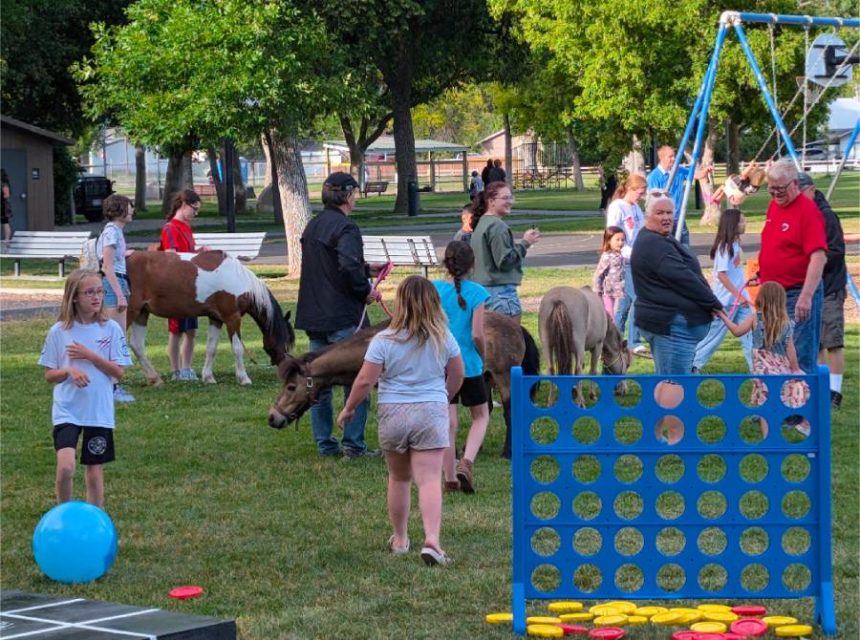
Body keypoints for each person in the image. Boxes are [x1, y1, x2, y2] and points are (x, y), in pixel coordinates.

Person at [336, 276, 464, 566]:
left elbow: (366, 379)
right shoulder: (444, 337)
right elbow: (457, 373)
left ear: (400, 303)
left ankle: (401, 538)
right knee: (430, 479)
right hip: (430, 411)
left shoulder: (383, 340)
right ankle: (432, 541)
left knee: (398, 477)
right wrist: (444, 397)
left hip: (394, 413)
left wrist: (349, 408)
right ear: (434, 304)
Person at [296, 171, 381, 459]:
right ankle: (353, 444)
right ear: (346, 195)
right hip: (342, 315)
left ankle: (325, 443)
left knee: (317, 382)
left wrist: (365, 268)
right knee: (357, 380)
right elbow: (345, 268)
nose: (356, 199)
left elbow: (332, 265)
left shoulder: (313, 225)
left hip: (314, 315)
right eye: (354, 193)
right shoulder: (346, 228)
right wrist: (365, 290)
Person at [38, 269, 133, 508]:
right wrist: (69, 371)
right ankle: (64, 512)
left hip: (98, 410)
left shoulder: (110, 329)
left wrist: (90, 356)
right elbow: (49, 375)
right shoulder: (59, 332)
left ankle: (95, 519)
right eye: (89, 292)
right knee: (66, 466)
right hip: (67, 409)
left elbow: (119, 372)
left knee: (94, 470)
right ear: (74, 297)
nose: (96, 297)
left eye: (100, 291)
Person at [631, 195, 723, 375]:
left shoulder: (662, 238)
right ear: (647, 216)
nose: (666, 217)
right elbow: (683, 278)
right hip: (669, 326)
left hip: (672, 326)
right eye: (660, 213)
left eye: (669, 213)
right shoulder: (653, 243)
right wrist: (712, 303)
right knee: (675, 387)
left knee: (675, 385)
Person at [757, 159, 827, 374]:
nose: (775, 194)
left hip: (796, 293)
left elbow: (819, 256)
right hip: (773, 294)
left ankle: (799, 405)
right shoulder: (774, 206)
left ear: (795, 184)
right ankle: (776, 403)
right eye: (771, 188)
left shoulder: (807, 211)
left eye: (780, 188)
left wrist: (806, 296)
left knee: (798, 354)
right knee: (770, 352)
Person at [432, 241, 490, 494]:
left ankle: (449, 477)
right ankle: (466, 462)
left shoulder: (434, 289)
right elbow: (477, 333)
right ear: (472, 264)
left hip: (440, 362)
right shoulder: (477, 292)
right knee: (481, 415)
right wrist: (484, 354)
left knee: (448, 421)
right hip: (469, 365)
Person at [719, 281, 810, 436]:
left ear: (761, 298)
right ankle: (794, 419)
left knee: (764, 403)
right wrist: (795, 369)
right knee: (787, 392)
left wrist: (722, 315)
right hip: (780, 367)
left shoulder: (755, 318)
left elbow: (736, 331)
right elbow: (790, 348)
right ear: (781, 300)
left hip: (762, 369)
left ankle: (768, 436)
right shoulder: (786, 321)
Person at [797, 172, 847, 409]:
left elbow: (836, 251)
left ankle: (835, 391)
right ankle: (819, 387)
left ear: (811, 190)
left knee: (832, 340)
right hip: (810, 287)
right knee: (815, 342)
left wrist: (814, 261)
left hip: (829, 287)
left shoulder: (827, 217)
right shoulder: (802, 215)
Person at [691, 208, 753, 373]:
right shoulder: (724, 248)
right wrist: (737, 296)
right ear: (732, 225)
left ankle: (757, 368)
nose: (745, 223)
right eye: (741, 220)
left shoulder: (735, 244)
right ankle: (693, 365)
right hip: (726, 302)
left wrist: (744, 292)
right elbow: (722, 275)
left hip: (741, 301)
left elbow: (735, 273)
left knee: (751, 334)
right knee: (714, 337)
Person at [469, 181, 539, 321]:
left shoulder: (482, 223)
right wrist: (525, 243)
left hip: (482, 292)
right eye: (505, 198)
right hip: (500, 295)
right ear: (491, 201)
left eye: (511, 198)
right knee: (508, 341)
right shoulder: (497, 226)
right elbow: (505, 261)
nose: (510, 202)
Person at [160, 190, 208, 381]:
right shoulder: (170, 228)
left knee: (190, 331)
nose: (195, 213)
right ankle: (175, 370)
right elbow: (172, 255)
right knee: (176, 330)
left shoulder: (186, 227)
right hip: (176, 286)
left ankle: (186, 368)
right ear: (184, 204)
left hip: (189, 286)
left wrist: (199, 251)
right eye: (194, 209)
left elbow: (187, 252)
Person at [96, 194, 135, 403]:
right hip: (115, 283)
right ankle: (111, 386)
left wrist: (125, 254)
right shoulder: (112, 232)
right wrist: (119, 294)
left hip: (119, 281)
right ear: (119, 210)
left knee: (116, 337)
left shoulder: (115, 232)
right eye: (129, 207)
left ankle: (112, 384)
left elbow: (113, 258)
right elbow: (107, 266)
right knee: (115, 337)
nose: (132, 211)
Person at [605, 174, 648, 357]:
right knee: (639, 297)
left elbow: (641, 231)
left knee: (625, 302)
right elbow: (613, 234)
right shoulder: (617, 207)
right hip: (623, 260)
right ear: (630, 189)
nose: (642, 196)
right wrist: (624, 251)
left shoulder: (636, 208)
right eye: (640, 192)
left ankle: (615, 337)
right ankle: (634, 341)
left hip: (637, 260)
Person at [646, 145, 711, 245]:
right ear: (662, 158)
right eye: (670, 156)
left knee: (685, 249)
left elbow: (697, 175)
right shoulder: (654, 176)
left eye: (674, 156)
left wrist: (705, 171)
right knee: (667, 249)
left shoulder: (678, 170)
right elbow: (654, 199)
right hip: (664, 220)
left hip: (678, 217)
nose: (673, 159)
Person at [592, 226, 626, 318]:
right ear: (609, 241)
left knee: (619, 317)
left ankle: (617, 331)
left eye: (623, 240)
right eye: (617, 240)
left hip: (620, 293)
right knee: (611, 317)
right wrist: (597, 292)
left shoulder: (621, 255)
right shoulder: (607, 257)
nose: (620, 243)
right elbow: (598, 275)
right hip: (609, 294)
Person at [1, 169, 12, 241]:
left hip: (3, 206)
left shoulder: (4, 184)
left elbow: (6, 195)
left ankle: (7, 239)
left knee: (5, 221)